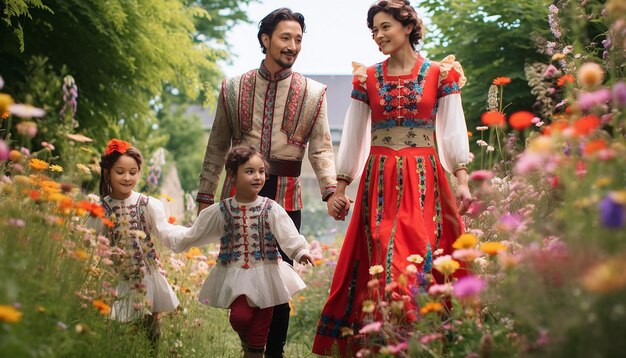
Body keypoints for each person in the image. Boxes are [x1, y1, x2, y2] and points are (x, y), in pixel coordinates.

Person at [312, 0, 472, 355]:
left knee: (420, 255)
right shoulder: (366, 78)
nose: (378, 35)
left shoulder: (440, 75)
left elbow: (452, 131)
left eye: (384, 27)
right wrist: (341, 186)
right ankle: (387, 342)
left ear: (408, 26)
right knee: (383, 255)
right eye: (373, 30)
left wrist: (462, 179)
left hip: (425, 178)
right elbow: (353, 135)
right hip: (379, 180)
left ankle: (420, 341)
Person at [196, 7, 344, 357]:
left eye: (298, 39)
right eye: (285, 37)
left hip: (286, 199)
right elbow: (217, 145)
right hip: (239, 198)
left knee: (278, 285)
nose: (293, 45)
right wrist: (205, 197)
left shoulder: (313, 93)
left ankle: (270, 352)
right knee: (241, 280)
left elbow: (322, 148)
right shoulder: (233, 88)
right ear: (266, 40)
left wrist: (330, 191)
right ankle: (252, 346)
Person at [164, 145, 314, 357]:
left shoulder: (271, 208)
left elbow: (287, 234)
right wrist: (168, 235)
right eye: (250, 171)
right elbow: (194, 233)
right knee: (240, 318)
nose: (258, 177)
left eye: (261, 171)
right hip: (236, 275)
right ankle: (250, 345)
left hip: (268, 275)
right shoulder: (222, 210)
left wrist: (300, 251)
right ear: (233, 175)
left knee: (260, 333)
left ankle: (254, 350)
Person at [91, 138, 180, 354]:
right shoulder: (101, 208)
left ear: (139, 172)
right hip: (117, 277)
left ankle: (152, 354)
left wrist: (188, 235)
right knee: (119, 328)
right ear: (107, 173)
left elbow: (164, 231)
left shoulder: (147, 204)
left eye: (133, 171)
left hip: (146, 275)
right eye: (120, 171)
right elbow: (91, 240)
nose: (127, 177)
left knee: (151, 327)